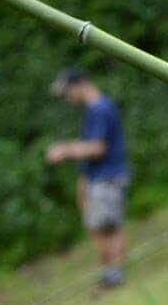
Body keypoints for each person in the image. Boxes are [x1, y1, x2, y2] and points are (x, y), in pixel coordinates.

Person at [45, 68, 129, 291]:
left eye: (67, 93)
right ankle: (110, 274)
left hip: (107, 178)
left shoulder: (100, 109)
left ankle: (114, 276)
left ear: (79, 85)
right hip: (98, 178)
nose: (67, 98)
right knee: (100, 226)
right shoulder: (94, 110)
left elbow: (98, 148)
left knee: (107, 228)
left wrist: (64, 150)